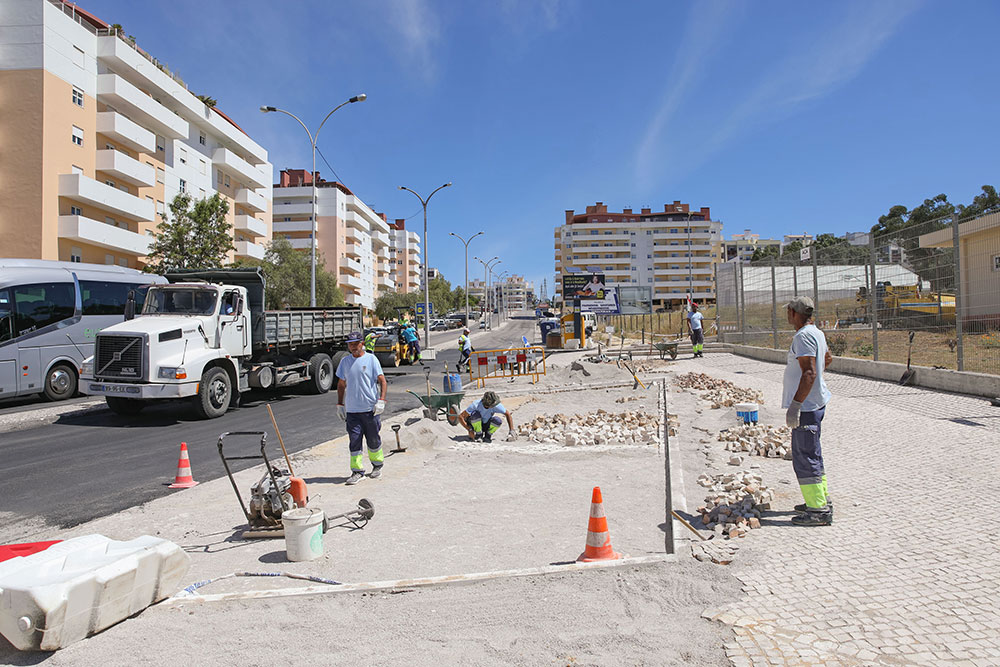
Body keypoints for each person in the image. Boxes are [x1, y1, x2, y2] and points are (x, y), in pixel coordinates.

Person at [781, 296, 834, 527]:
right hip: (816, 403)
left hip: (807, 408)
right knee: (814, 453)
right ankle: (820, 499)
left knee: (805, 457)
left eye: (788, 311)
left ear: (794, 313)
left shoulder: (803, 336)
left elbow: (809, 373)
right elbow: (827, 358)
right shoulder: (817, 332)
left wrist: (796, 405)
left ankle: (818, 510)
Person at [336, 330, 388, 485]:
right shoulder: (345, 362)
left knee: (373, 439)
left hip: (370, 410)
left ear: (362, 343)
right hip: (352, 411)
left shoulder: (371, 360)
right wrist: (340, 404)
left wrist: (381, 401)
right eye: (350, 345)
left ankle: (377, 465)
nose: (352, 347)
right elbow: (341, 384)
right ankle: (357, 471)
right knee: (354, 441)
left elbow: (382, 381)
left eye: (355, 344)